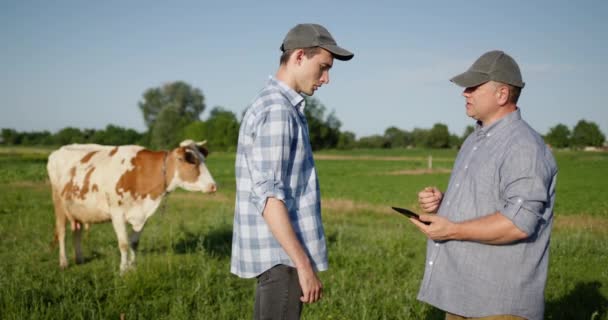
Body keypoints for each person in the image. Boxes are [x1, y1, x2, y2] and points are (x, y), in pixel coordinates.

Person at [411, 50, 558, 320]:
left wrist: (452, 229)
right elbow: (489, 200)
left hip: (497, 305)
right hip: (463, 296)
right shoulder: (475, 139)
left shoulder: (524, 147)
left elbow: (518, 223)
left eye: (473, 87)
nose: (464, 93)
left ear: (502, 94)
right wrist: (443, 202)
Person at [230, 23, 353, 319]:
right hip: (282, 258)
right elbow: (269, 196)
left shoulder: (279, 106)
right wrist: (303, 264)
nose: (326, 78)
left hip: (278, 257)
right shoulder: (278, 111)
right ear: (299, 56)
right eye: (323, 67)